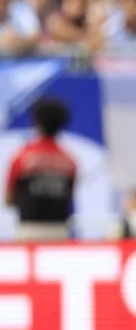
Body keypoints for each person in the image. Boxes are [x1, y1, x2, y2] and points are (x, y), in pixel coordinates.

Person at [5, 98, 77, 242]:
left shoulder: (22, 158)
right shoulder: (70, 161)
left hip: (29, 231)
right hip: (60, 231)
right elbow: (69, 198)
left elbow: (9, 199)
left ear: (35, 122)